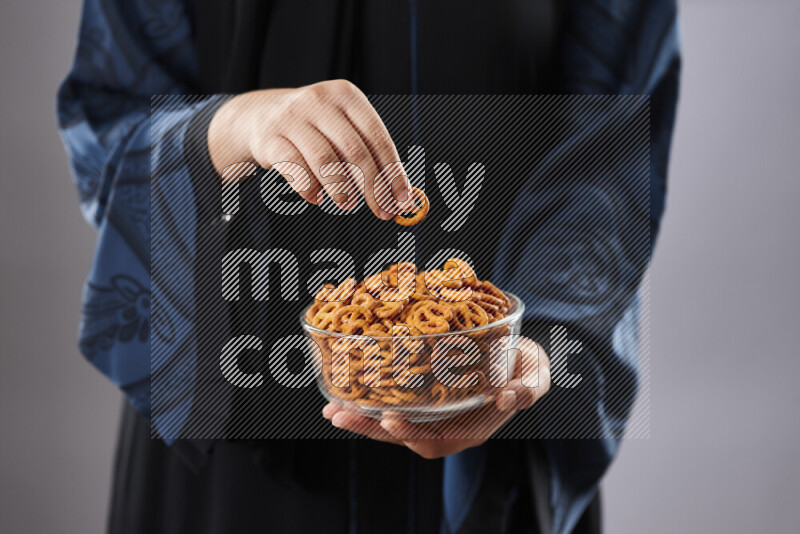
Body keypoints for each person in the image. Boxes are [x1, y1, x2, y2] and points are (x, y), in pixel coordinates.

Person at [57, 1, 680, 533]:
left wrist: (532, 338)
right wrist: (230, 128)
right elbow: (106, 119)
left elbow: (615, 138)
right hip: (225, 439)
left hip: (493, 422)